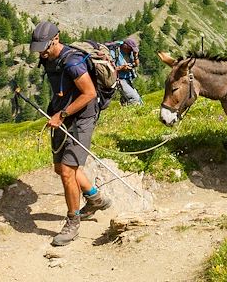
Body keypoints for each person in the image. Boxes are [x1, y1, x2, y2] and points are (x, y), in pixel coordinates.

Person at [30, 21, 111, 246]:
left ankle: (73, 222)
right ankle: (95, 199)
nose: (41, 53)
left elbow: (89, 94)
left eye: (44, 47)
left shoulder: (73, 62)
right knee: (61, 169)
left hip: (81, 118)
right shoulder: (48, 59)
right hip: (61, 114)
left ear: (56, 39)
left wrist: (62, 115)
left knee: (67, 171)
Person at [111, 37, 143, 105]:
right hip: (120, 79)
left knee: (137, 99)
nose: (131, 50)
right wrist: (122, 68)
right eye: (130, 48)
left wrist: (135, 56)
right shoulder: (114, 52)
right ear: (125, 45)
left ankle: (125, 112)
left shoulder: (130, 53)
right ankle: (136, 113)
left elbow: (136, 64)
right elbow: (109, 69)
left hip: (128, 78)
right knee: (135, 99)